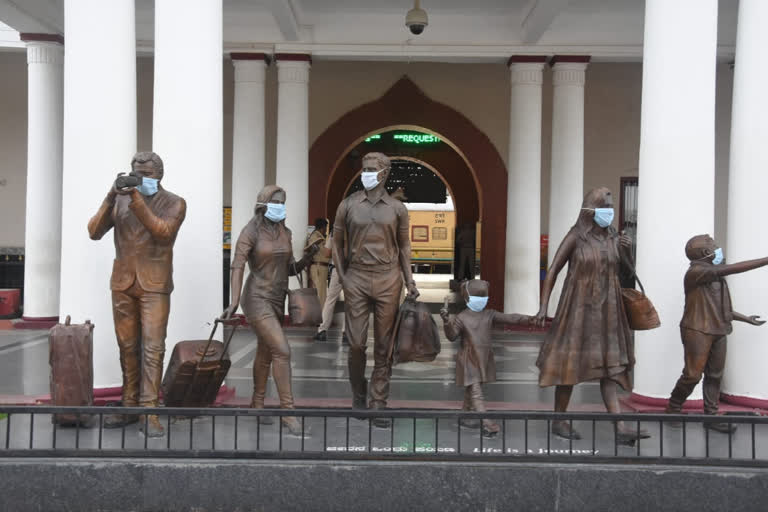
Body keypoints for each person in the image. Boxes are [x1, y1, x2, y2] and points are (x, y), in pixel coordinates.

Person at [533, 187, 647, 442]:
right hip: (578, 308)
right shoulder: (576, 237)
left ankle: (619, 427)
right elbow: (553, 270)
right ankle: (559, 419)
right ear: (590, 211)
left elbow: (625, 270)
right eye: (604, 209)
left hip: (608, 310)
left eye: (611, 209)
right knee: (570, 363)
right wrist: (543, 305)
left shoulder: (613, 237)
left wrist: (626, 249)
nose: (609, 213)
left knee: (610, 366)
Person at [88, 151, 186, 438]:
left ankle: (149, 409)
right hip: (122, 282)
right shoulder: (119, 199)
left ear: (160, 175)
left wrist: (137, 199)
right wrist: (110, 196)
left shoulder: (174, 203)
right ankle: (130, 405)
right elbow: (94, 231)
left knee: (153, 348)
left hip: (154, 284)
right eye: (136, 173)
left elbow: (164, 233)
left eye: (147, 174)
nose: (141, 178)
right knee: (127, 346)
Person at [333, 152, 419, 427]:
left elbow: (404, 246)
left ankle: (378, 402)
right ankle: (359, 393)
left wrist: (409, 281)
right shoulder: (348, 205)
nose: (366, 173)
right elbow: (335, 242)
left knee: (384, 346)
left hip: (388, 279)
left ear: (384, 174)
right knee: (356, 344)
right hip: (356, 277)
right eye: (364, 168)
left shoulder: (397, 209)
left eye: (372, 169)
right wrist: (343, 276)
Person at [223, 185, 317, 436]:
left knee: (266, 353)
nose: (280, 205)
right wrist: (233, 302)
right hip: (256, 298)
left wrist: (307, 259)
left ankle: (257, 402)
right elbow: (238, 266)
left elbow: (288, 269)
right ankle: (288, 412)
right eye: (276, 201)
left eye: (283, 201)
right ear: (263, 204)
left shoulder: (285, 232)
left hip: (277, 299)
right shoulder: (250, 232)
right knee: (282, 350)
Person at [665, 234, 768, 433]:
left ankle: (711, 416)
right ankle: (673, 407)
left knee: (714, 375)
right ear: (706, 252)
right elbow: (735, 268)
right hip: (698, 330)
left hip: (718, 329)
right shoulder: (696, 272)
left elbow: (721, 309)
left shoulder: (716, 277)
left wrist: (746, 318)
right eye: (713, 245)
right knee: (692, 375)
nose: (717, 247)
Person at [440, 280, 532, 437]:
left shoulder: (489, 314)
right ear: (468, 298)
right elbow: (452, 336)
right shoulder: (462, 317)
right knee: (476, 391)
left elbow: (511, 318)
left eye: (484, 296)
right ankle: (487, 422)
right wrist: (447, 322)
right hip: (469, 358)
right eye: (479, 296)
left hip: (483, 357)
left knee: (472, 388)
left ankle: (465, 415)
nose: (482, 300)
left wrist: (530, 319)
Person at [314, 230, 347, 343]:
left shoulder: (335, 232)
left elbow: (327, 254)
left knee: (330, 300)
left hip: (337, 269)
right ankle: (346, 333)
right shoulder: (356, 229)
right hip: (352, 270)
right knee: (352, 302)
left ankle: (322, 331)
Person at [305, 218, 330, 305]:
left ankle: (321, 315)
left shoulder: (320, 236)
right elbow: (308, 249)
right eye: (325, 227)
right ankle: (319, 316)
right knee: (319, 294)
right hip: (318, 267)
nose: (325, 230)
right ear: (322, 227)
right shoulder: (315, 236)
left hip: (321, 268)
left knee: (322, 293)